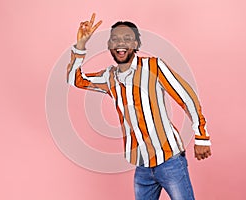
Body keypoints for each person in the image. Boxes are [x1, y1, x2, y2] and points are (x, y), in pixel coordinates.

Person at [67, 13, 211, 200]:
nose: (121, 43)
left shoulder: (154, 67)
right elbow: (75, 79)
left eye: (127, 38)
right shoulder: (109, 77)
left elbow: (187, 97)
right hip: (142, 165)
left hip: (170, 161)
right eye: (115, 39)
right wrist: (81, 45)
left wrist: (201, 136)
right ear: (110, 46)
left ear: (135, 45)